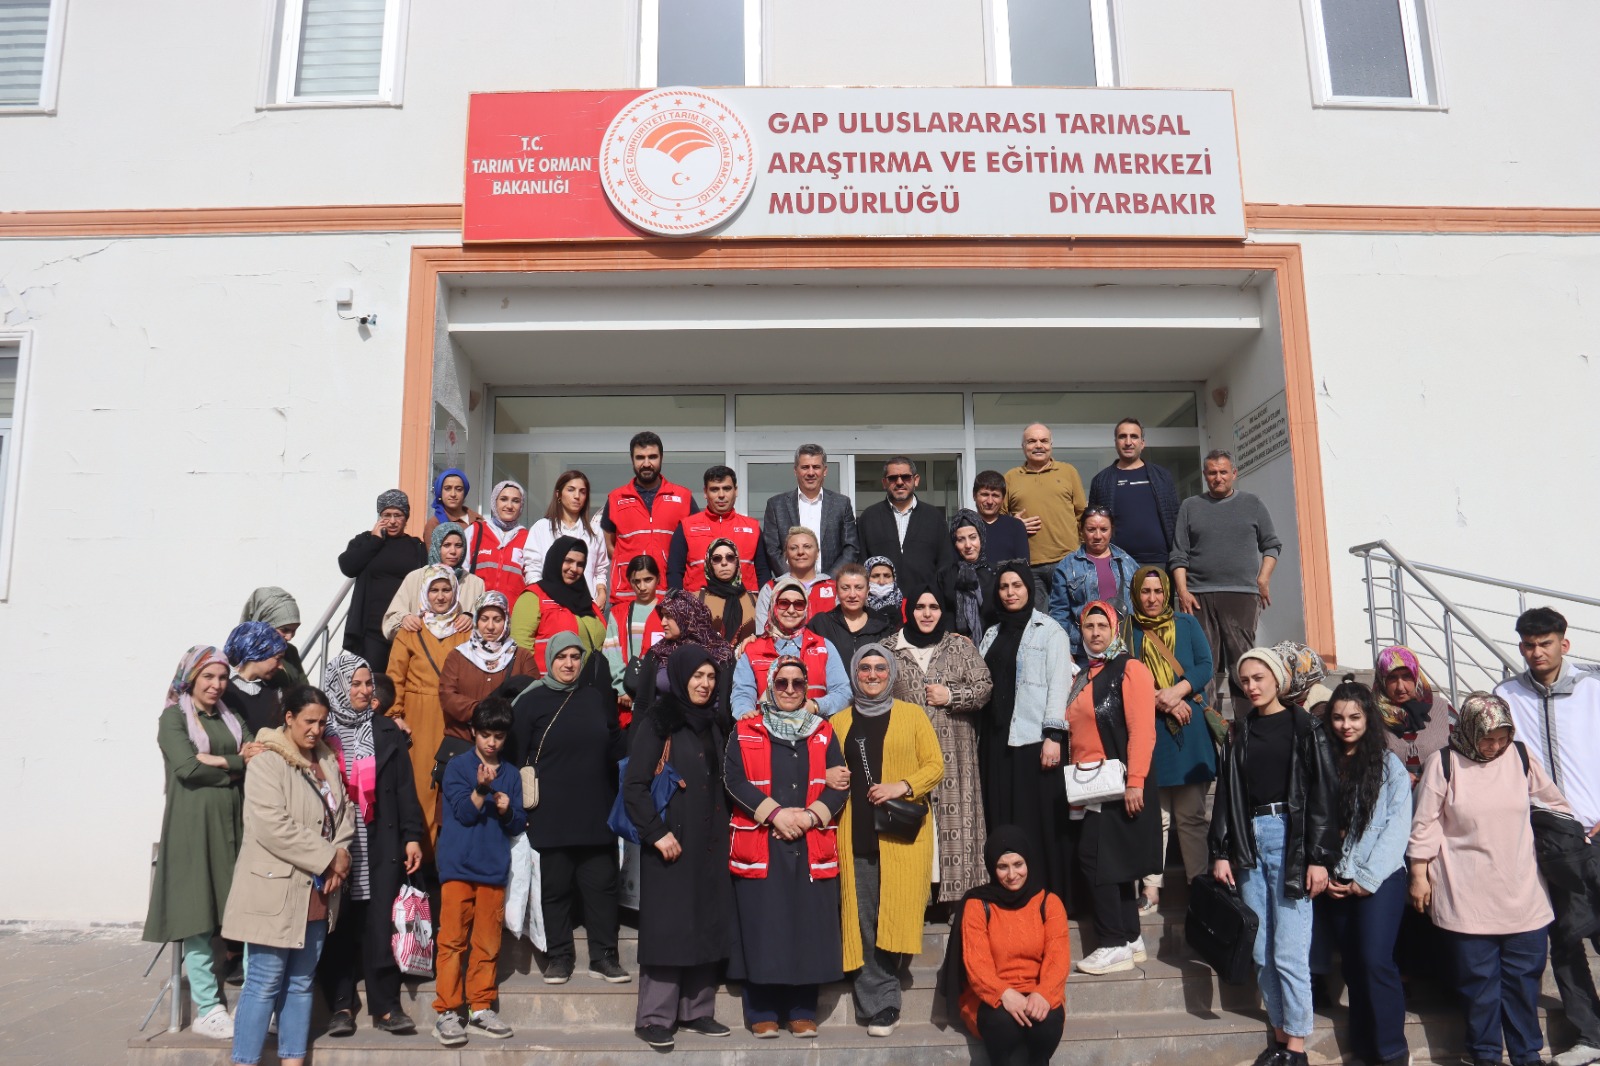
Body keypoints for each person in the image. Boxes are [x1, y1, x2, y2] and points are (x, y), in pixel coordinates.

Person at [1408, 692, 1573, 1066]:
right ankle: (1484, 1054)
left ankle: (1526, 1054)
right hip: (1466, 891)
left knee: (1524, 980)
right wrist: (1419, 874)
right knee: (1478, 984)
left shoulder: (1520, 757)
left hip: (1522, 889)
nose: (1495, 747)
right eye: (1487, 738)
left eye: (1502, 737)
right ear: (1469, 730)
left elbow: (1554, 804)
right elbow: (1425, 824)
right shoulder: (1444, 763)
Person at [1209, 647, 1338, 1066]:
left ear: (1278, 678)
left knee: (1289, 952)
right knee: (1262, 952)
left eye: (1258, 678)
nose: (1251, 686)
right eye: (1245, 680)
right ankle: (1281, 1039)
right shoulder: (1239, 731)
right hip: (1250, 839)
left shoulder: (1307, 727)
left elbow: (1323, 795)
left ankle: (1297, 1049)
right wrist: (1221, 851)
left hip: (1291, 838)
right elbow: (1227, 795)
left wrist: (1319, 857)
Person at [223, 686, 355, 1066]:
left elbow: (344, 813)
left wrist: (340, 855)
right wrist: (329, 857)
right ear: (289, 718)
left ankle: (293, 1061)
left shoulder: (326, 760)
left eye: (322, 722)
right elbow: (271, 825)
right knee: (264, 982)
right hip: (275, 890)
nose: (316, 729)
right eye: (309, 721)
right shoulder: (267, 761)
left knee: (300, 982)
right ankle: (244, 1061)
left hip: (318, 891)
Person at [1495, 608, 1600, 1066]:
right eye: (1528, 645)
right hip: (1548, 837)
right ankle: (1591, 1037)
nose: (1536, 652)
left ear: (1564, 643)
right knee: (1565, 938)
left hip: (1596, 830)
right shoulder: (1506, 695)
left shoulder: (1594, 690)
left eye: (1545, 643)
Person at [724, 657, 849, 1037]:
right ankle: (761, 1010)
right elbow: (733, 780)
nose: (790, 690)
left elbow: (839, 784)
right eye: (782, 683)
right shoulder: (745, 729)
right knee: (764, 926)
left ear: (808, 688)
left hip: (810, 842)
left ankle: (801, 1009)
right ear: (770, 686)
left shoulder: (823, 731)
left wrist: (809, 817)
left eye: (798, 683)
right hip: (763, 841)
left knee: (807, 926)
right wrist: (776, 815)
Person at [143, 646, 262, 1042]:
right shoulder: (173, 718)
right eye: (208, 676)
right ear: (191, 678)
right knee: (197, 917)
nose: (217, 684)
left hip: (235, 825)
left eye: (223, 677)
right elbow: (188, 768)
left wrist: (216, 760)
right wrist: (234, 763)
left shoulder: (230, 715)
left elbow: (257, 754)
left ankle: (255, 1000)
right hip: (192, 828)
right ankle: (208, 1008)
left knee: (247, 913)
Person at [624, 646, 736, 1050]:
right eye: (697, 676)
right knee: (669, 927)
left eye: (710, 677)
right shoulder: (660, 721)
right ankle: (654, 1017)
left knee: (705, 920)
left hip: (710, 842)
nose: (704, 684)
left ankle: (696, 1010)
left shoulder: (715, 723)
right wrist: (656, 833)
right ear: (680, 677)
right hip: (670, 843)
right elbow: (634, 786)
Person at [834, 644, 945, 1037]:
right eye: (864, 668)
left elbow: (935, 765)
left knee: (895, 912)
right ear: (854, 673)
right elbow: (826, 769)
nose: (872, 674)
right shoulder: (839, 721)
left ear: (892, 673)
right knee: (864, 919)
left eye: (880, 667)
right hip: (856, 832)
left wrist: (903, 785)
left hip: (902, 837)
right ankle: (882, 1001)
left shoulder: (912, 715)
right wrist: (829, 776)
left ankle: (885, 978)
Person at [510, 632, 630, 985]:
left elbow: (614, 745)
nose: (569, 663)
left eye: (575, 657)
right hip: (550, 814)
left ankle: (604, 957)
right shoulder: (530, 702)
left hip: (596, 813)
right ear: (549, 660)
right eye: (562, 657)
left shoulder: (594, 697)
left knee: (601, 889)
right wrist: (518, 812)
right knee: (555, 890)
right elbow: (515, 759)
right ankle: (559, 957)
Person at [316, 652, 425, 1039]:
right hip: (335, 846)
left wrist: (412, 835)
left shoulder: (386, 730)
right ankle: (341, 1005)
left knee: (381, 923)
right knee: (339, 925)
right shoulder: (320, 732)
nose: (365, 691)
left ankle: (386, 1006)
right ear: (337, 686)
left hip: (379, 842)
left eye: (368, 684)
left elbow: (405, 787)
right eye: (356, 684)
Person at [1316, 677, 1412, 1066]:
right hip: (1335, 878)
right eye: (1338, 718)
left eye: (1354, 717)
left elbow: (1397, 828)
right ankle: (1364, 1048)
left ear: (1368, 719)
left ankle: (1392, 1051)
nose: (1346, 725)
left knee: (1375, 960)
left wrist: (1366, 878)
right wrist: (1326, 872)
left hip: (1381, 878)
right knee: (1354, 966)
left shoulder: (1389, 766)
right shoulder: (1321, 762)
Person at [1063, 602, 1161, 975]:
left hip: (1118, 783)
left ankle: (1112, 942)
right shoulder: (1084, 675)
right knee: (1115, 864)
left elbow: (1143, 730)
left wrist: (1135, 782)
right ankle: (1131, 937)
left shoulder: (1129, 669)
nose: (1095, 633)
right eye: (1089, 626)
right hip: (1091, 784)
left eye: (1102, 626)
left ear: (1115, 629)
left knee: (1095, 860)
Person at [881, 583, 994, 902]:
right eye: (920, 607)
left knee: (955, 823)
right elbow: (874, 692)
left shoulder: (958, 646)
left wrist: (952, 695)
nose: (927, 614)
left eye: (933, 607)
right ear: (909, 610)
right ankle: (917, 899)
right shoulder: (888, 649)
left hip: (954, 754)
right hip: (908, 754)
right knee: (914, 822)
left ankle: (959, 901)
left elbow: (985, 687)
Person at [431, 697, 526, 1047]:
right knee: (452, 941)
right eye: (486, 735)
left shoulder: (511, 774)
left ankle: (481, 1006)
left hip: (493, 867)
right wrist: (482, 789)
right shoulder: (458, 766)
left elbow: (517, 823)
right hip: (457, 866)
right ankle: (447, 1010)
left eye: (498, 736)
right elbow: (463, 813)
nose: (491, 742)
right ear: (473, 732)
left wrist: (506, 810)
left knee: (487, 942)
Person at [978, 564, 1076, 897]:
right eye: (1004, 586)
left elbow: (1059, 684)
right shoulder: (991, 633)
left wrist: (1054, 736)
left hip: (1033, 739)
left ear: (1029, 590)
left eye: (1017, 585)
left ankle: (1045, 893)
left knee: (1036, 821)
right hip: (996, 741)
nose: (1010, 592)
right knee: (1002, 818)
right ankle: (1008, 890)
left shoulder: (1049, 631)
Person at [1126, 566, 1216, 913]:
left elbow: (1205, 665)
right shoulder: (1127, 629)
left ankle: (1199, 885)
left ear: (1167, 593)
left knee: (1191, 817)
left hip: (1189, 730)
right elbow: (1123, 674)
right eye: (1145, 591)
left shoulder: (1187, 623)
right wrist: (1159, 699)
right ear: (1136, 594)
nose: (1152, 598)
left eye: (1158, 591)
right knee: (1156, 818)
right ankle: (1151, 889)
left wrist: (1177, 692)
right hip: (1149, 731)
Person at [941, 826, 1070, 1066]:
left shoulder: (1049, 903)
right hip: (989, 996)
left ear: (1028, 862)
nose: (1012, 875)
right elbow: (976, 964)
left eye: (1018, 864)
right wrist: (1003, 993)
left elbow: (1058, 957)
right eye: (1003, 867)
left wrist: (1043, 993)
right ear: (992, 867)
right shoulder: (978, 904)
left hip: (1038, 990)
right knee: (1003, 1024)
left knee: (1046, 1024)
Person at [1169, 450, 1282, 707]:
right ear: (1204, 475)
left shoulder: (1253, 503)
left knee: (1242, 663)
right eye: (1212, 473)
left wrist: (1263, 580)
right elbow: (1178, 554)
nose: (1218, 477)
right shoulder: (1190, 506)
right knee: (1203, 662)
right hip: (1198, 596)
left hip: (1241, 595)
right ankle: (1208, 720)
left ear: (1234, 473)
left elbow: (1272, 545)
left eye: (1223, 472)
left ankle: (1246, 724)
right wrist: (1182, 591)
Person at [385, 564, 471, 847]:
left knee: (451, 786)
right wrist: (395, 714)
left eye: (446, 589)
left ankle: (444, 856)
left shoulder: (465, 630)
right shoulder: (411, 630)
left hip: (454, 718)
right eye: (434, 590)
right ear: (424, 593)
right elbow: (395, 676)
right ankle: (418, 853)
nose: (441, 596)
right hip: (417, 717)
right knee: (421, 784)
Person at [733, 575, 851, 720]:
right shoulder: (753, 649)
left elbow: (843, 693)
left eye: (798, 604)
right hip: (765, 729)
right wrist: (746, 713)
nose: (791, 610)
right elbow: (742, 693)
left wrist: (815, 706)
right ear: (773, 605)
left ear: (806, 608)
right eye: (784, 603)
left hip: (814, 729)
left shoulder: (824, 646)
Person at [603, 431, 698, 609]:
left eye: (652, 457)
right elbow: (610, 545)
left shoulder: (683, 497)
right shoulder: (615, 498)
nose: (646, 463)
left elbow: (694, 546)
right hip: (627, 595)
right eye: (640, 457)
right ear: (632, 459)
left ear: (661, 458)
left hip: (670, 593)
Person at [338, 489, 426, 673]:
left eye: (398, 515)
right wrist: (375, 540)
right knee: (373, 681)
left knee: (400, 680)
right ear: (379, 517)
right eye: (386, 515)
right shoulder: (365, 540)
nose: (392, 521)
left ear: (406, 518)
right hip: (371, 630)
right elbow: (347, 566)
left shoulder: (416, 547)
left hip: (404, 627)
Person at [440, 592, 541, 744]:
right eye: (484, 619)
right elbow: (447, 696)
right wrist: (482, 711)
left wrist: (502, 717)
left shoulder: (521, 656)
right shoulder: (458, 656)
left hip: (505, 744)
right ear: (476, 620)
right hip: (464, 741)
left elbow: (534, 696)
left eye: (497, 620)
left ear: (506, 621)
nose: (490, 626)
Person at [1003, 425, 1087, 604]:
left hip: (1067, 561)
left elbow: (1082, 514)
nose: (1038, 445)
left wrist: (1082, 553)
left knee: (1071, 615)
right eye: (1032, 441)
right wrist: (1014, 526)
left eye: (1044, 441)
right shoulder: (1010, 477)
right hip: (1029, 565)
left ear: (1051, 445)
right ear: (1023, 447)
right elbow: (998, 521)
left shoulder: (1068, 472)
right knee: (1036, 619)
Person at [1047, 507, 1139, 665]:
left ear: (1112, 531)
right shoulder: (1067, 566)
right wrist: (1064, 650)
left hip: (1122, 649)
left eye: (1104, 529)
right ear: (1081, 530)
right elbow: (1059, 612)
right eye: (1091, 529)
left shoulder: (1127, 563)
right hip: (1082, 653)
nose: (1097, 536)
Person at [629, 588, 736, 722]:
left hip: (708, 729)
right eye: (662, 616)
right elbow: (642, 703)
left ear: (687, 617)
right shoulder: (657, 653)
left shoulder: (721, 652)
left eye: (669, 616)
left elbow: (727, 703)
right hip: (664, 728)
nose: (662, 622)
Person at [1087, 418, 1181, 568]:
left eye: (1134, 436)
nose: (1128, 442)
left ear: (1142, 443)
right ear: (1116, 442)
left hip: (1159, 561)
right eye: (1122, 436)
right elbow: (1092, 523)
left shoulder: (1162, 476)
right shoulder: (1101, 481)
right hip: (1116, 562)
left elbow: (1175, 517)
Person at [857, 456, 954, 597]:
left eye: (906, 477)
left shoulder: (934, 517)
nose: (899, 482)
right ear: (884, 482)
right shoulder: (869, 517)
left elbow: (945, 563)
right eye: (893, 478)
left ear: (916, 480)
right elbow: (861, 564)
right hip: (880, 604)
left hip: (923, 603)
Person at [509, 534, 606, 672]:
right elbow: (521, 650)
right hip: (546, 682)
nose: (574, 568)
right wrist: (532, 682)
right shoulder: (533, 597)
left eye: (580, 564)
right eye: (568, 561)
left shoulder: (588, 602)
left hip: (590, 683)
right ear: (556, 559)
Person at [667, 464, 769, 594]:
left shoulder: (752, 527)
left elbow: (763, 572)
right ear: (705, 492)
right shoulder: (687, 526)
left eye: (726, 489)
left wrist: (763, 603)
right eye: (714, 489)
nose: (721, 495)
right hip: (699, 603)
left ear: (736, 491)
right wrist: (678, 603)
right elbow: (674, 572)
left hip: (744, 603)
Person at [761, 443, 860, 577]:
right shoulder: (776, 505)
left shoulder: (842, 504)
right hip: (791, 584)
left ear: (825, 470)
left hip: (831, 584)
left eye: (816, 467)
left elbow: (851, 548)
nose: (811, 473)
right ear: (795, 470)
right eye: (805, 467)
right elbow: (771, 549)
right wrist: (794, 579)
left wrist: (828, 580)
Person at [525, 470, 611, 612]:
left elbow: (600, 570)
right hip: (550, 608)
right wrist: (542, 600)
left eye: (582, 492)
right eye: (571, 490)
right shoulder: (541, 528)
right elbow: (532, 569)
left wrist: (601, 592)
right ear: (558, 494)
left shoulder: (595, 533)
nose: (577, 496)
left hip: (585, 609)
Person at [383, 522, 484, 640]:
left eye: (458, 545)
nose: (453, 551)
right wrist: (404, 619)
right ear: (436, 546)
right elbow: (390, 622)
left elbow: (487, 623)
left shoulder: (475, 583)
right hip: (420, 647)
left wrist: (472, 619)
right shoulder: (415, 578)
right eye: (446, 545)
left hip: (458, 648)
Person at [1373, 645, 1453, 784]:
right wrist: (1395, 776)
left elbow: (1464, 754)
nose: (1400, 687)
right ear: (1382, 680)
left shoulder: (1443, 709)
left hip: (1439, 794)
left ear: (1416, 675)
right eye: (1392, 678)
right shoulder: (1370, 715)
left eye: (1407, 676)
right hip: (1391, 795)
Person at [602, 555, 666, 716]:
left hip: (662, 696)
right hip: (629, 696)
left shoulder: (669, 611)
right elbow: (611, 652)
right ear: (629, 582)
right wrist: (621, 687)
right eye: (636, 581)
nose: (642, 587)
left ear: (658, 578)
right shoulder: (619, 613)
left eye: (648, 579)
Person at [809, 562, 895, 664]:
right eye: (845, 588)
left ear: (867, 591)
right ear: (836, 591)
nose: (852, 595)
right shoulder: (821, 624)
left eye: (859, 588)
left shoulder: (883, 625)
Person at [753, 526, 837, 631]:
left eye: (807, 547)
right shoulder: (770, 589)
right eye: (793, 548)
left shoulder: (835, 588)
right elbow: (762, 632)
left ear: (817, 553)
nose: (800, 552)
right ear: (786, 555)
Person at [465, 479, 532, 605]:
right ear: (494, 502)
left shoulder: (528, 538)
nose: (509, 506)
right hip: (477, 612)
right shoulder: (475, 531)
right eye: (503, 499)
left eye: (516, 501)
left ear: (521, 505)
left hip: (512, 613)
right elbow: (462, 573)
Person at [221, 620, 289, 735]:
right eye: (277, 659)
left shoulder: (274, 690)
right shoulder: (222, 688)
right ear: (257, 653)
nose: (281, 666)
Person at [944, 508, 999, 641]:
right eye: (961, 539)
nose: (968, 545)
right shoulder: (946, 575)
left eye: (973, 537)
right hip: (956, 646)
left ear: (981, 537)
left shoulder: (996, 573)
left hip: (991, 643)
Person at [696, 538, 759, 650]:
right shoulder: (696, 599)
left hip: (744, 660)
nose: (724, 563)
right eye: (717, 558)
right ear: (709, 563)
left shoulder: (752, 599)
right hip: (706, 660)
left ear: (737, 562)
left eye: (730, 557)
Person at [239, 586, 308, 686]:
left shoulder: (290, 652)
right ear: (264, 626)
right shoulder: (239, 655)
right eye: (284, 630)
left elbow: (304, 689)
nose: (289, 637)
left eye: (294, 630)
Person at [970, 470, 1030, 566]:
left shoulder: (1016, 527)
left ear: (1003, 499)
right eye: (985, 494)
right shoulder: (966, 526)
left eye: (995, 495)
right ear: (974, 495)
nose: (990, 501)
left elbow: (1023, 567)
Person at [425, 467, 480, 539]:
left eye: (458, 489)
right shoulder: (434, 524)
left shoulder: (478, 520)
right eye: (447, 488)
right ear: (440, 492)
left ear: (464, 492)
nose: (453, 494)